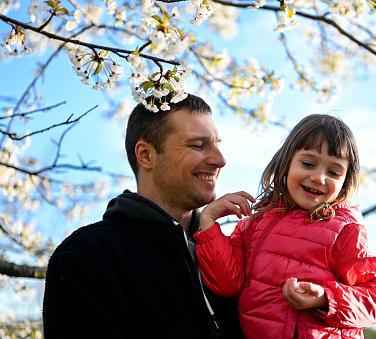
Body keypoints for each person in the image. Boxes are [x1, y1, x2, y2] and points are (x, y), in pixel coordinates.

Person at [43, 94, 243, 339]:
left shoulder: (236, 251)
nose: (220, 160)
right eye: (198, 145)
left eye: (217, 144)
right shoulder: (85, 257)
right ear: (146, 155)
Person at [194, 114, 376, 339]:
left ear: (345, 181)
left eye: (333, 172)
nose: (319, 177)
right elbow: (227, 285)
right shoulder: (256, 223)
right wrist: (209, 224)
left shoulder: (344, 229)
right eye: (308, 164)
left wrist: (325, 298)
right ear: (286, 163)